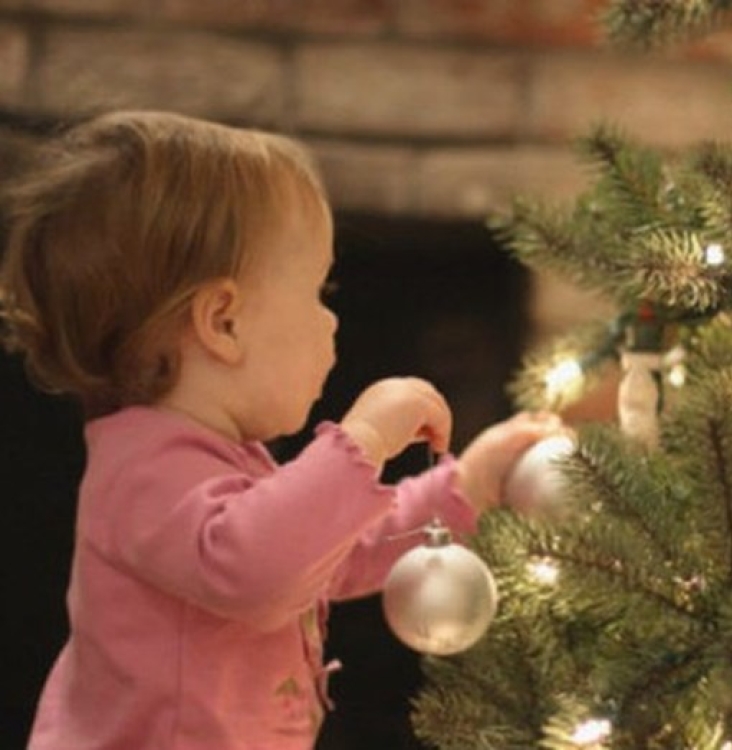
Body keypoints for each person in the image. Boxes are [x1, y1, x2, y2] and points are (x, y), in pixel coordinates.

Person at [0, 110, 560, 750]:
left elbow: (328, 551)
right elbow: (259, 569)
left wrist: (463, 487)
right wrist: (363, 442)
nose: (331, 323)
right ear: (224, 323)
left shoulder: (221, 459)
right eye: (319, 291)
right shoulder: (142, 469)